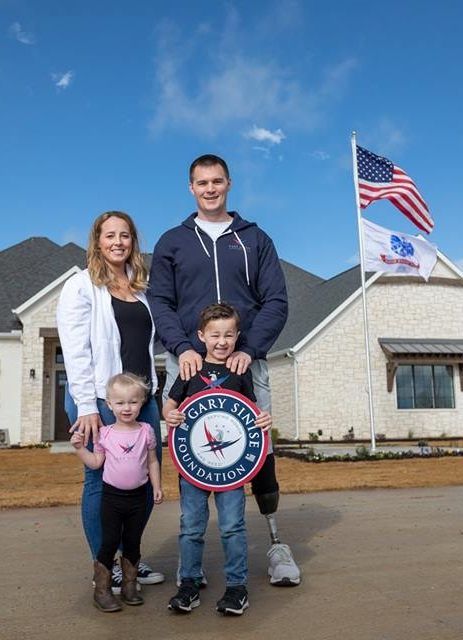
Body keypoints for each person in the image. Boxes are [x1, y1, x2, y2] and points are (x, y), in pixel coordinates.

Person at [148, 154, 301, 587]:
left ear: (229, 184)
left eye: (217, 181)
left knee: (258, 448)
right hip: (190, 361)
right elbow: (160, 301)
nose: (210, 188)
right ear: (191, 188)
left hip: (243, 361)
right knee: (193, 454)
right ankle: (191, 561)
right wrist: (181, 346)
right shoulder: (172, 241)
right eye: (201, 182)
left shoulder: (255, 239)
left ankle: (275, 544)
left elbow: (276, 301)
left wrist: (250, 349)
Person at [56, 210, 165, 593]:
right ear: (97, 241)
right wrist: (86, 404)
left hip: (144, 398)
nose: (117, 241)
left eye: (125, 235)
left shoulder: (142, 286)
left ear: (133, 241)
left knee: (146, 477)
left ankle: (129, 558)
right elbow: (75, 350)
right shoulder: (81, 286)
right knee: (100, 482)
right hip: (99, 401)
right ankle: (106, 565)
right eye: (109, 235)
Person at [163, 303, 272, 616]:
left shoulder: (241, 371)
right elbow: (169, 406)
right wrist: (171, 416)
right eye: (215, 335)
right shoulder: (190, 369)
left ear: (237, 336)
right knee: (191, 527)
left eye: (228, 335)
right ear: (201, 336)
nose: (222, 341)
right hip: (194, 464)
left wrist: (264, 420)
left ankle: (237, 588)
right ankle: (189, 585)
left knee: (232, 527)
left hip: (231, 469)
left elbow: (252, 414)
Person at [72, 373, 163, 612]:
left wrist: (157, 486)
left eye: (133, 402)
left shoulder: (146, 431)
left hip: (138, 498)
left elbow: (153, 461)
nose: (127, 407)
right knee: (110, 541)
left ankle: (129, 586)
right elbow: (95, 463)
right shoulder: (106, 434)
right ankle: (101, 590)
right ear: (109, 405)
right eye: (120, 403)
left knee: (133, 542)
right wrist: (81, 449)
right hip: (111, 499)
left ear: (142, 402)